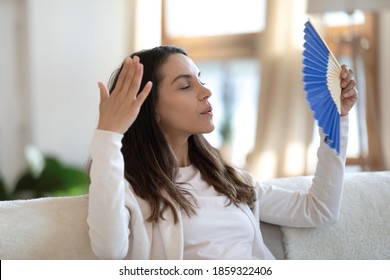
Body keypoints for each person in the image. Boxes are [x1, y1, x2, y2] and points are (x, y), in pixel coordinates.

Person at [87, 45, 357, 260]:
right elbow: (109, 250)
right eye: (185, 86)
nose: (206, 92)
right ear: (151, 108)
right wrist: (109, 135)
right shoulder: (131, 189)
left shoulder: (228, 179)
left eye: (200, 80)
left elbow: (319, 210)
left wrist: (334, 118)